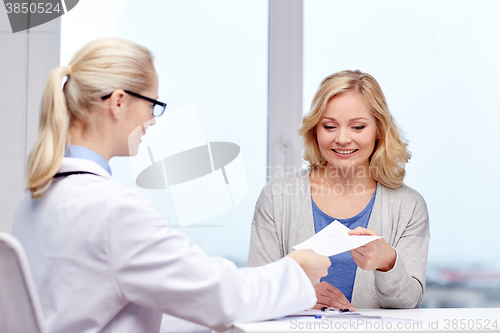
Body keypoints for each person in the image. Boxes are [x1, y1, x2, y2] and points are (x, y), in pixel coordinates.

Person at [12, 38, 331, 333]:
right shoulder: (113, 210)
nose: (153, 120)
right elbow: (224, 297)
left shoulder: (36, 198)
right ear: (119, 102)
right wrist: (297, 269)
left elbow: (119, 299)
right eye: (153, 104)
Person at [248, 70, 430, 310]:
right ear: (316, 130)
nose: (342, 139)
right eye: (330, 126)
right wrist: (298, 296)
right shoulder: (276, 197)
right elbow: (254, 293)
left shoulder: (408, 206)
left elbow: (409, 303)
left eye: (357, 127)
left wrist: (388, 262)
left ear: (379, 130)